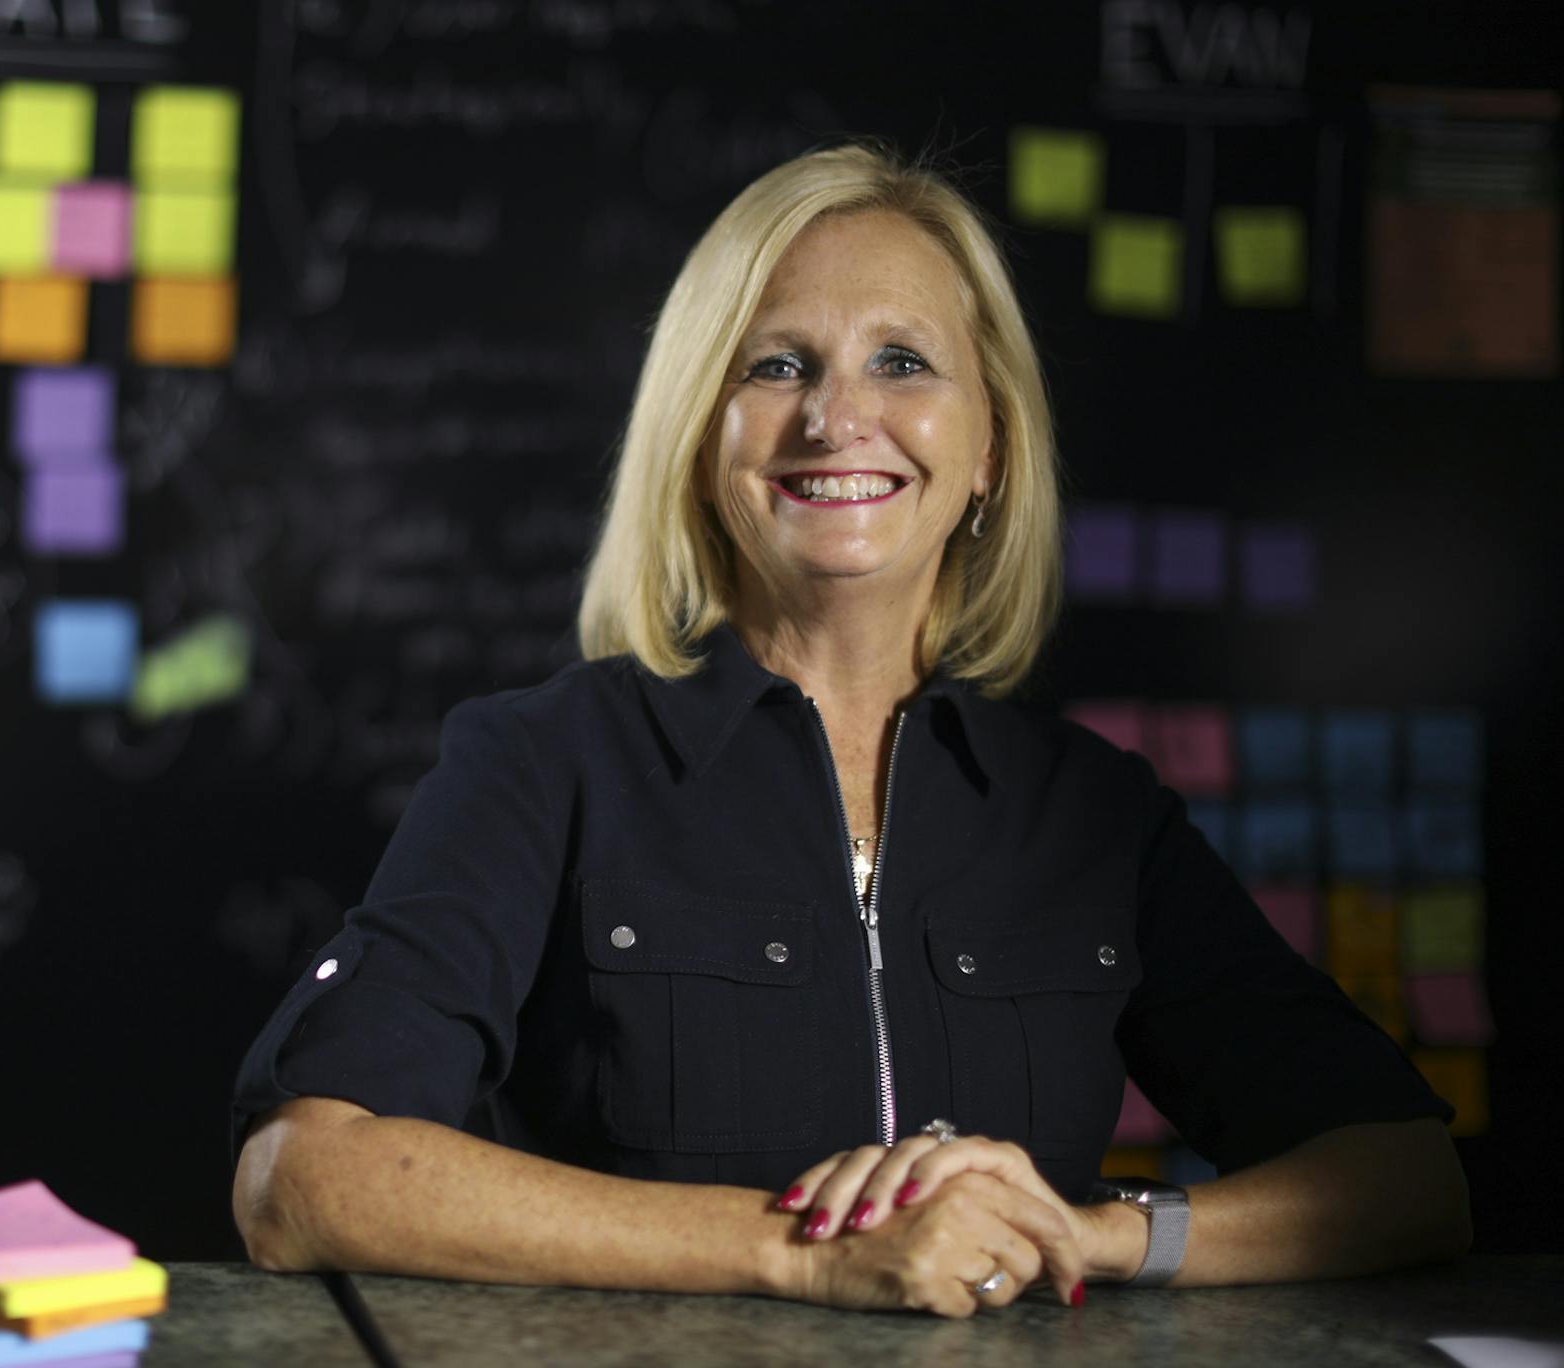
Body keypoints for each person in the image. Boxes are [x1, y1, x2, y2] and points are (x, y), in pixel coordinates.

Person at [229, 142, 1470, 1317]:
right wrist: (797, 1255)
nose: (835, 418)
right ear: (699, 438)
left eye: (903, 362)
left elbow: (1408, 1181)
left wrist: (1090, 1237)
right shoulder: (542, 763)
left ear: (990, 448)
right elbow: (303, 1181)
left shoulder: (1098, 815)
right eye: (775, 366)